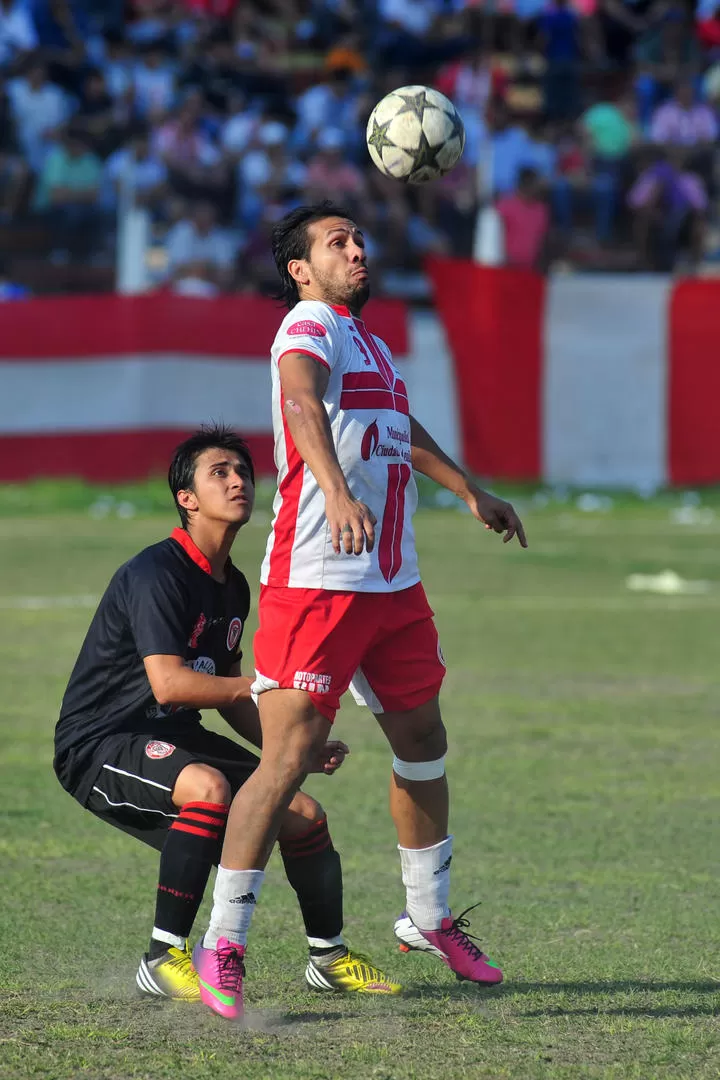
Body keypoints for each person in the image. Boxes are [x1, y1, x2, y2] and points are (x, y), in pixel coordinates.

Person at [193, 203, 528, 1020]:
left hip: (392, 585)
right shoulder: (307, 325)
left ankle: (429, 916)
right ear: (301, 270)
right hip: (317, 580)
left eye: (359, 238)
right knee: (290, 757)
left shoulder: (368, 339)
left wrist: (468, 490)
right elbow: (302, 405)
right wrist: (337, 490)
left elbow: (395, 427)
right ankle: (224, 942)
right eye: (336, 242)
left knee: (423, 738)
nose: (356, 249)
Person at [53, 425, 401, 1005]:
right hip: (102, 742)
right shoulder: (156, 573)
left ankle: (328, 956)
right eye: (220, 473)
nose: (238, 481)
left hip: (172, 734)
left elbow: (229, 694)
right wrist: (266, 686)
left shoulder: (233, 586)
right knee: (209, 788)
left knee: (303, 814)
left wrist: (290, 748)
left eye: (243, 471)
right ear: (186, 499)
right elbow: (172, 683)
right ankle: (163, 958)